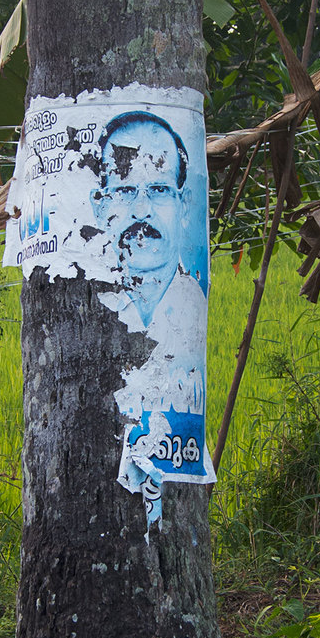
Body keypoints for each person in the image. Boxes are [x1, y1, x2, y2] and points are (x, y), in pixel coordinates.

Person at [90, 111, 207, 424]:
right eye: (126, 191)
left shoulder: (193, 304)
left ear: (184, 204)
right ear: (100, 206)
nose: (141, 211)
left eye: (159, 190)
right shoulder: (82, 312)